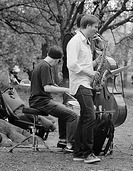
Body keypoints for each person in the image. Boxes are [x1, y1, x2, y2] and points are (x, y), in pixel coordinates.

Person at [67, 14, 103, 164]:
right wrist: (90, 73)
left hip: (86, 83)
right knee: (90, 116)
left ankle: (78, 152)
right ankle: (88, 153)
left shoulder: (86, 43)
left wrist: (99, 58)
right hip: (80, 83)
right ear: (87, 25)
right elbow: (72, 64)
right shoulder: (75, 41)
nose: (96, 30)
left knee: (85, 118)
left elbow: (86, 65)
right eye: (95, 26)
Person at [29, 46, 78, 152]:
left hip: (37, 100)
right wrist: (67, 89)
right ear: (57, 60)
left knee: (64, 111)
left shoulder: (41, 64)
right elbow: (47, 88)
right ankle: (71, 145)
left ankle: (63, 140)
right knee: (73, 116)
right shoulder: (46, 66)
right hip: (41, 102)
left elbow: (49, 84)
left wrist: (61, 89)